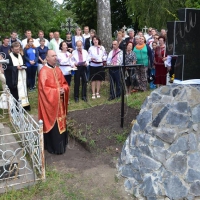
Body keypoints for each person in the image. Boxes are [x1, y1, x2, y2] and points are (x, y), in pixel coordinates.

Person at [38, 49, 69, 155]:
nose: (55, 57)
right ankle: (54, 147)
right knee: (54, 125)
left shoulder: (58, 70)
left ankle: (62, 145)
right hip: (50, 105)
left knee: (62, 123)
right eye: (53, 56)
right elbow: (44, 90)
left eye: (56, 55)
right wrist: (57, 91)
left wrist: (64, 89)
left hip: (60, 103)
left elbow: (65, 84)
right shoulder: (43, 72)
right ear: (47, 58)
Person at [4, 42, 30, 109]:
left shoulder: (20, 55)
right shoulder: (9, 57)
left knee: (24, 91)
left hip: (22, 76)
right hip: (14, 79)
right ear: (12, 49)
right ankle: (17, 108)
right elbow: (7, 68)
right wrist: (16, 68)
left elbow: (23, 63)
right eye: (16, 49)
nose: (18, 51)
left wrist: (23, 67)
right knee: (16, 93)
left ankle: (25, 106)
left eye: (18, 49)